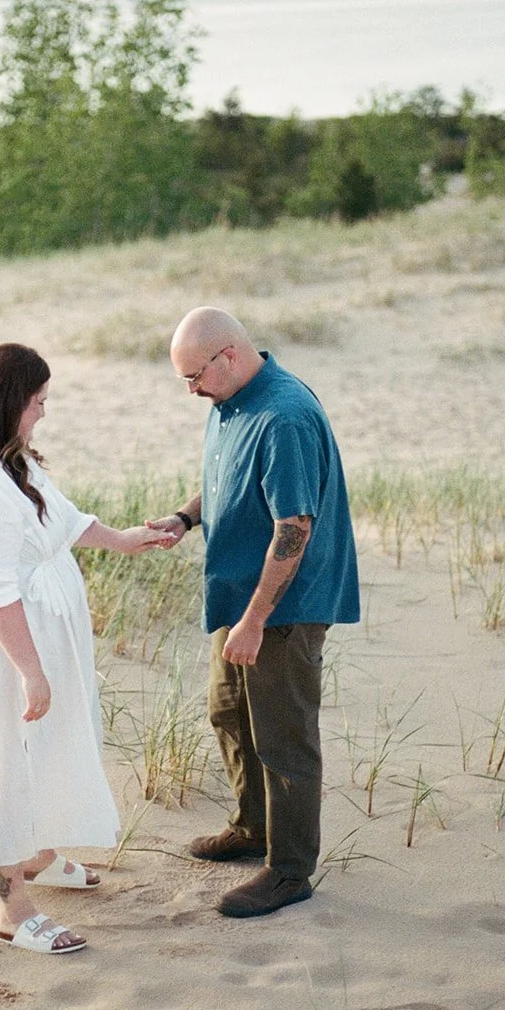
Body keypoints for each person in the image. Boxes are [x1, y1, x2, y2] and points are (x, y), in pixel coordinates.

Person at [0, 343, 165, 955]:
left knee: (49, 748)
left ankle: (40, 853)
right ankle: (12, 909)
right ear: (7, 403)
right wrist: (31, 672)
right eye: (39, 403)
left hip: (35, 634)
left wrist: (121, 540)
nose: (44, 415)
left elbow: (57, 515)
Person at [148, 308, 359, 918]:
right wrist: (186, 517)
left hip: (282, 607)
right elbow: (231, 481)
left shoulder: (283, 416)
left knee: (283, 736)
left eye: (194, 376)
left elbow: (294, 528)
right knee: (228, 711)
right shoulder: (231, 400)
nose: (190, 390)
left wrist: (255, 620)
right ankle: (252, 827)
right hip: (239, 596)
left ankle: (289, 870)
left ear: (229, 357)